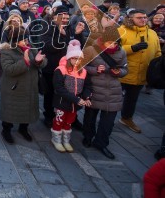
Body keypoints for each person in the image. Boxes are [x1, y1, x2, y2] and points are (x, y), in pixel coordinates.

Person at [82, 26, 128, 159]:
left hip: (113, 90)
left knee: (108, 121)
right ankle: (88, 137)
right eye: (109, 42)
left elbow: (125, 69)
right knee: (90, 117)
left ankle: (101, 143)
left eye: (115, 42)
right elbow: (81, 65)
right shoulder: (91, 49)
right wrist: (95, 69)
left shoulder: (121, 52)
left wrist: (119, 72)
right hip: (94, 88)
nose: (112, 45)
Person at [39, 6, 85, 127]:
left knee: (71, 93)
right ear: (55, 17)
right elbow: (49, 47)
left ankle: (72, 118)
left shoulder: (70, 29)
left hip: (70, 69)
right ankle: (49, 116)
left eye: (67, 17)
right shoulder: (48, 28)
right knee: (50, 94)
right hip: (52, 68)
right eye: (62, 17)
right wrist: (62, 35)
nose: (65, 19)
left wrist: (78, 35)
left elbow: (77, 47)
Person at [0, 28, 47, 144]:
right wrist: (24, 61)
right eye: (23, 40)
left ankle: (23, 128)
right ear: (15, 41)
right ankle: (6, 130)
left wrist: (39, 61)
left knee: (27, 110)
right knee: (10, 110)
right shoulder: (7, 51)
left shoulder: (32, 48)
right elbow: (9, 70)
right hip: (14, 88)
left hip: (30, 87)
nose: (26, 42)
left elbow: (43, 63)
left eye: (27, 39)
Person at [118, 9, 161, 133]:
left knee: (132, 99)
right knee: (111, 99)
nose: (143, 19)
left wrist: (156, 68)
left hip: (141, 74)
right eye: (140, 17)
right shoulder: (120, 31)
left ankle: (126, 118)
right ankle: (104, 120)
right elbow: (111, 49)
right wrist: (132, 48)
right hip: (121, 73)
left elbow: (157, 52)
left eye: (145, 17)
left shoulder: (152, 33)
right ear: (130, 19)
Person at [51, 40, 91, 153]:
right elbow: (59, 88)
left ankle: (66, 139)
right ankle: (56, 139)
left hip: (74, 104)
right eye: (74, 58)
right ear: (69, 58)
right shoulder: (61, 70)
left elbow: (88, 86)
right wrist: (76, 99)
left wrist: (87, 97)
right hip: (62, 102)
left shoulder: (83, 71)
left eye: (79, 59)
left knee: (69, 121)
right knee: (59, 120)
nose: (77, 61)